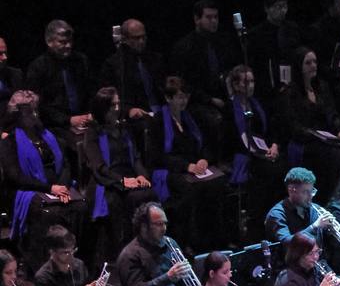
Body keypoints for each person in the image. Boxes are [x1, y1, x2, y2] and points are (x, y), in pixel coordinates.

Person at [1, 90, 86, 265]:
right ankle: (44, 265)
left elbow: (64, 165)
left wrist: (62, 187)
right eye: (29, 112)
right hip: (27, 191)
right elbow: (15, 177)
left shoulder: (50, 137)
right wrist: (50, 189)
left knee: (81, 207)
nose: (35, 115)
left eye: (35, 110)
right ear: (17, 116)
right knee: (49, 212)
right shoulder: (8, 142)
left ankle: (78, 262)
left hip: (56, 188)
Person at [148, 76, 229, 251]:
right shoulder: (158, 121)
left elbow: (206, 144)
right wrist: (187, 166)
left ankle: (214, 239)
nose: (184, 101)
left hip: (196, 168)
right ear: (168, 98)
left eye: (186, 96)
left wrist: (204, 159)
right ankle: (190, 242)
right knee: (191, 189)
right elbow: (158, 156)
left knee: (218, 184)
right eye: (179, 97)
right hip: (171, 170)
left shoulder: (192, 117)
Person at [84, 87, 156, 263]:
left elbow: (136, 157)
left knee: (149, 194)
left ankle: (151, 245)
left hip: (129, 177)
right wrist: (123, 181)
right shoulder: (92, 132)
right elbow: (99, 167)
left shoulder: (124, 128)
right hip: (106, 181)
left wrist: (142, 176)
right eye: (112, 105)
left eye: (117, 104)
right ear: (102, 109)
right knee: (119, 202)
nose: (116, 109)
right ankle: (125, 254)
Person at [278, 46, 340, 191]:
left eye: (315, 62)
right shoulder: (290, 92)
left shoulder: (322, 87)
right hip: (305, 140)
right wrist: (316, 135)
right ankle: (329, 196)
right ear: (299, 66)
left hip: (324, 137)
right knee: (335, 155)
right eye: (308, 63)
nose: (313, 65)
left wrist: (339, 131)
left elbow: (331, 114)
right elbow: (293, 126)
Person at [224, 64, 286, 239]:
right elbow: (230, 140)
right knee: (266, 171)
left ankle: (279, 216)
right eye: (245, 82)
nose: (250, 86)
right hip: (242, 154)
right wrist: (254, 151)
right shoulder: (230, 109)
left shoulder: (258, 104)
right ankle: (260, 220)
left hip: (263, 151)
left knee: (282, 166)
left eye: (252, 81)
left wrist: (273, 146)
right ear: (236, 85)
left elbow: (271, 130)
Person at [111, 202, 194, 286]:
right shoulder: (129, 255)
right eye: (159, 224)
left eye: (165, 223)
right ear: (144, 226)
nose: (164, 229)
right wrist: (168, 277)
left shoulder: (170, 243)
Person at [23, 20, 93, 149]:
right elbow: (39, 105)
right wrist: (68, 120)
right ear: (49, 42)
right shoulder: (38, 67)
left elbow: (89, 91)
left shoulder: (80, 61)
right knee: (77, 145)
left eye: (70, 41)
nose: (68, 46)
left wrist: (89, 114)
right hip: (55, 124)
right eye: (62, 42)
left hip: (83, 119)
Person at [263, 167, 340, 263]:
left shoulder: (315, 209)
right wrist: (315, 226)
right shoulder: (277, 214)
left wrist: (331, 230)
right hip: (289, 269)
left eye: (312, 190)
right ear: (292, 190)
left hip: (314, 264)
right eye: (305, 192)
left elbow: (334, 244)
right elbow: (288, 243)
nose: (310, 196)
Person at [98, 17, 163, 121]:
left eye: (143, 37)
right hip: (135, 117)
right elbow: (106, 98)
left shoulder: (155, 59)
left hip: (160, 112)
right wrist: (128, 110)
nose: (141, 41)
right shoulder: (114, 64)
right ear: (124, 39)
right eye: (136, 38)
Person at [245, 0, 304, 101]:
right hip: (269, 84)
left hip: (292, 80)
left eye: (285, 6)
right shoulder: (256, 34)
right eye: (278, 7)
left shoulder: (292, 28)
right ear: (267, 8)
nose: (283, 10)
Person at [33, 225, 99, 286]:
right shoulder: (43, 277)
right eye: (66, 252)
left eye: (73, 250)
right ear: (52, 252)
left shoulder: (79, 265)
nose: (71, 256)